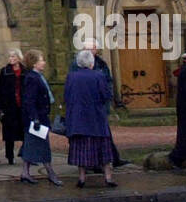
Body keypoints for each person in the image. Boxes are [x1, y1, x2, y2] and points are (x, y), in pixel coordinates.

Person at [69, 38, 128, 168]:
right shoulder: (77, 65)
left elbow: (108, 81)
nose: (90, 51)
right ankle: (92, 164)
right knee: (89, 136)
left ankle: (113, 158)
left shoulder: (101, 64)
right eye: (88, 49)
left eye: (93, 48)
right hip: (85, 107)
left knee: (104, 134)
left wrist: (108, 96)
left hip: (99, 105)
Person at [64, 49, 117, 187]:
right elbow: (106, 95)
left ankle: (81, 178)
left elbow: (66, 96)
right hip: (96, 118)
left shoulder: (71, 76)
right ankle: (108, 177)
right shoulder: (98, 76)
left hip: (78, 118)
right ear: (91, 63)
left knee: (81, 149)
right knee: (103, 150)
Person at [16, 49, 62, 185]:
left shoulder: (36, 76)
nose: (44, 62)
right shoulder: (32, 78)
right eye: (41, 60)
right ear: (34, 63)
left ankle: (25, 172)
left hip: (38, 116)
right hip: (37, 118)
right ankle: (50, 173)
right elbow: (29, 100)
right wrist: (35, 118)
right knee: (42, 146)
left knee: (30, 145)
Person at [0, 49, 25, 165]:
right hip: (9, 106)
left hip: (21, 106)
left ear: (18, 57)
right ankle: (10, 156)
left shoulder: (24, 71)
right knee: (9, 133)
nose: (11, 58)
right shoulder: (5, 71)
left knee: (24, 131)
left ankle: (25, 153)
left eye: (13, 56)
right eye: (10, 56)